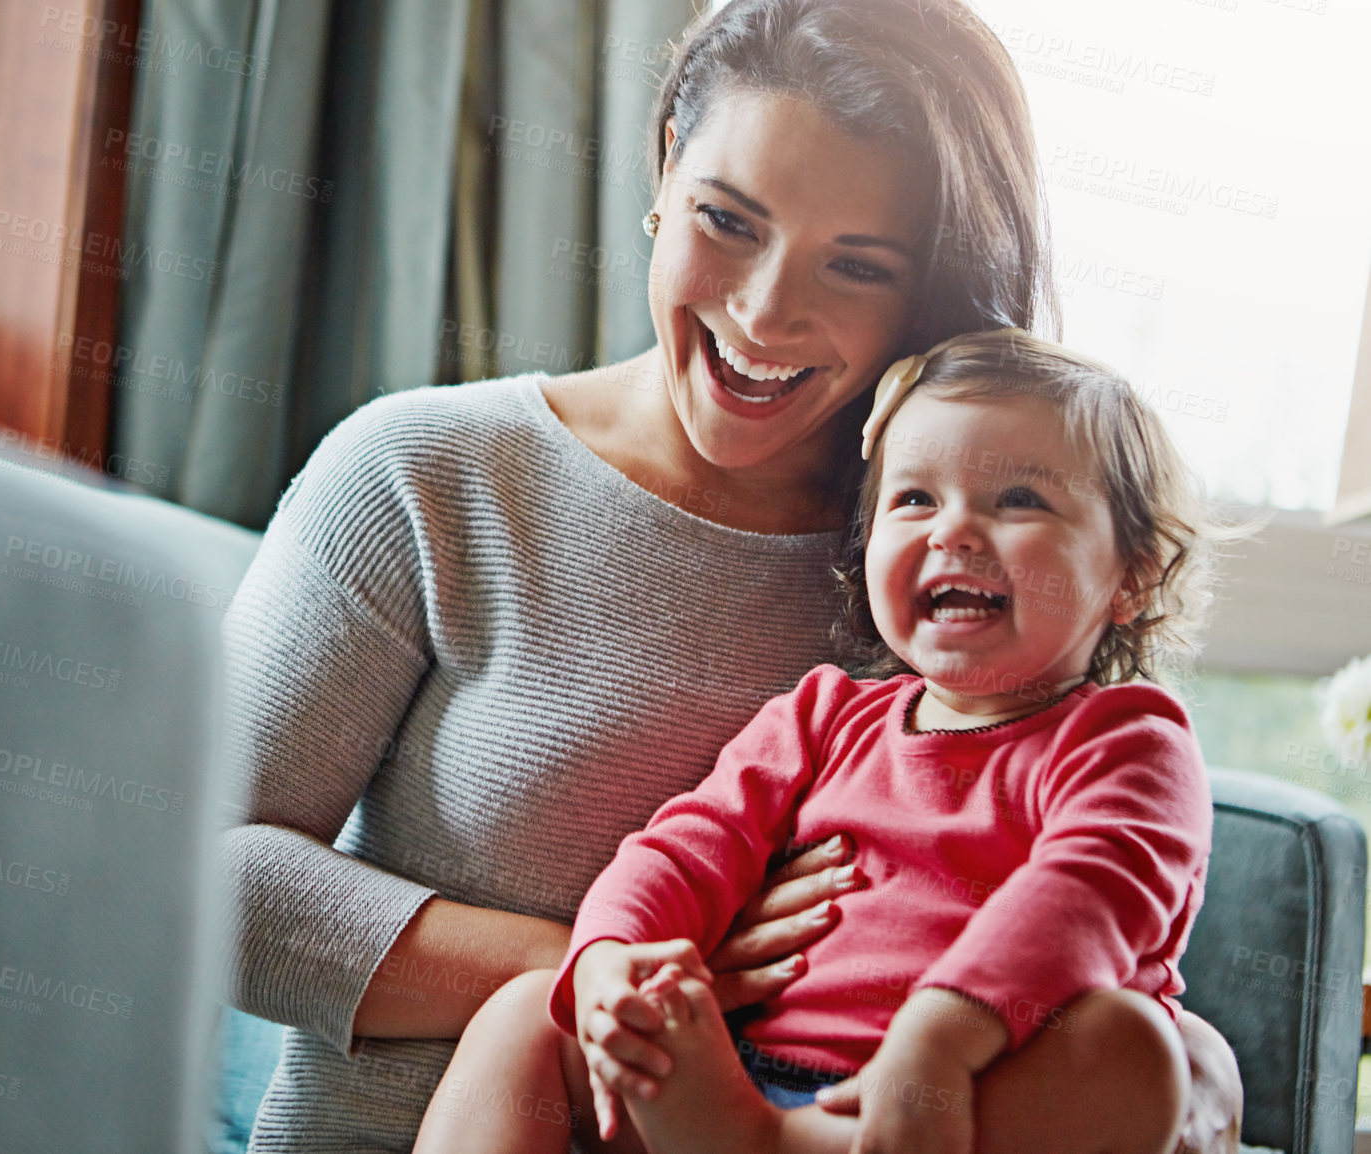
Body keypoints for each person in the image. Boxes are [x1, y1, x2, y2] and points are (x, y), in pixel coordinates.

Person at [218, 1, 1242, 1150]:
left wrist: (1182, 1074)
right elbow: (199, 877)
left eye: (856, 265)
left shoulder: (942, 577)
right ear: (663, 167)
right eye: (726, 219)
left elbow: (1077, 894)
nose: (764, 311)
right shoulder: (423, 473)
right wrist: (634, 973)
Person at [413, 330, 1222, 1154]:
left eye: (1020, 500)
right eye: (914, 499)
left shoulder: (1131, 743)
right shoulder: (823, 717)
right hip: (724, 1087)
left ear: (1133, 576)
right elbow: (686, 848)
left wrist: (937, 1041)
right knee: (526, 1012)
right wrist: (611, 960)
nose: (955, 531)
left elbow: (1082, 898)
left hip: (954, 1107)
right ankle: (767, 1137)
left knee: (1130, 1051)